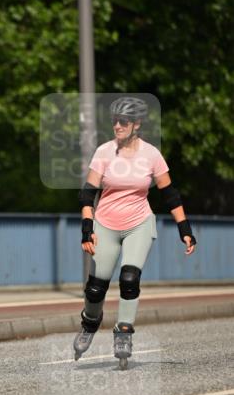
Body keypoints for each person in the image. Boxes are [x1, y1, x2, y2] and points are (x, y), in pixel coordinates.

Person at [73, 96, 197, 366]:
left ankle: (124, 331)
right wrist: (87, 227)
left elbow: (170, 194)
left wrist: (184, 227)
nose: (117, 125)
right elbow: (87, 193)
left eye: (123, 121)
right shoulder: (104, 152)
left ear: (136, 124)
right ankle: (90, 322)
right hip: (105, 224)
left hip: (139, 223)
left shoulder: (151, 154)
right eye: (114, 121)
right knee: (96, 288)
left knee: (129, 278)